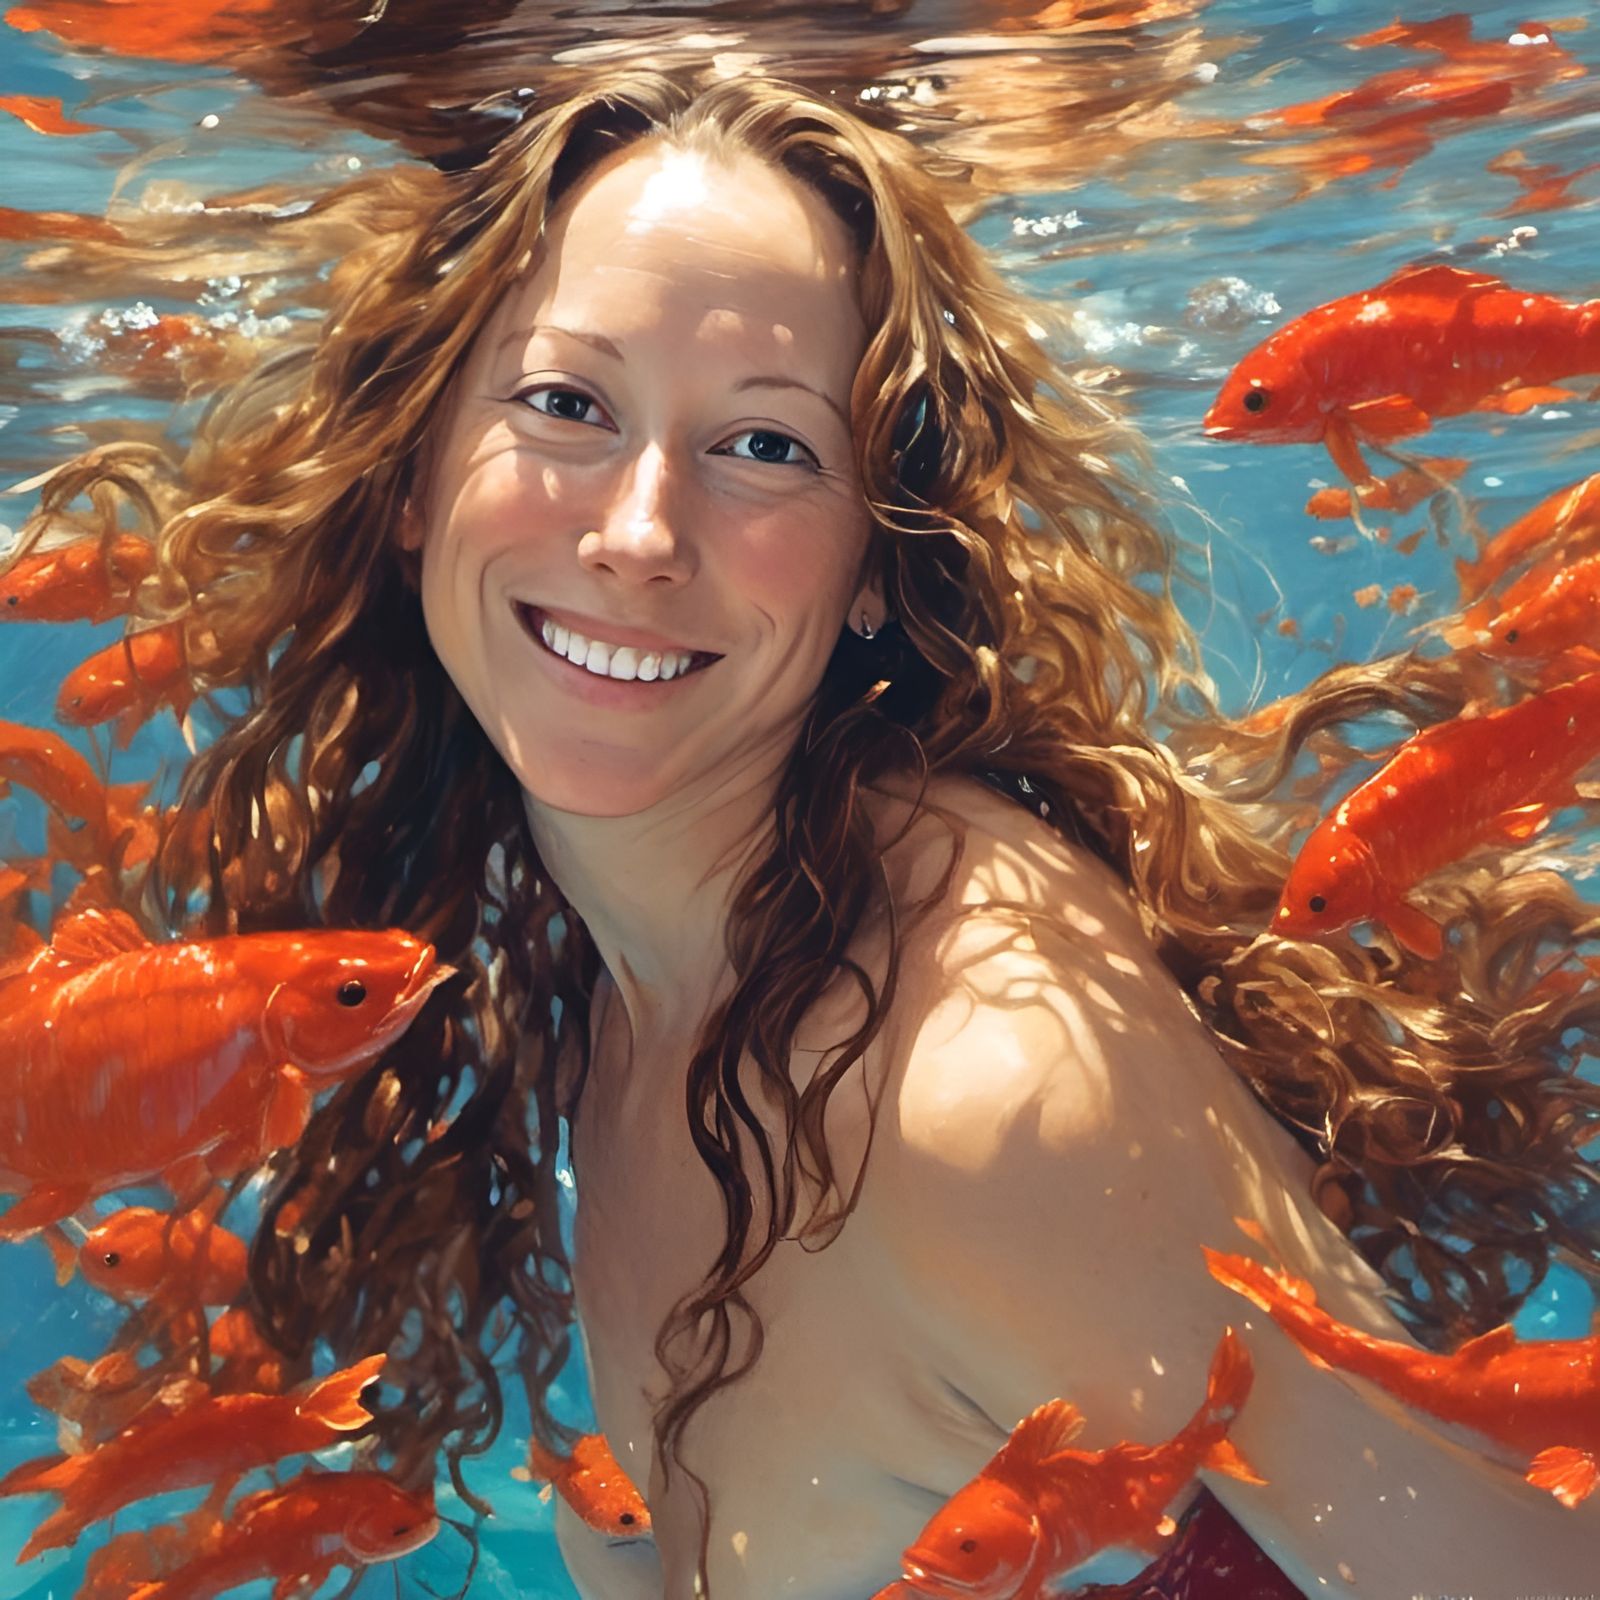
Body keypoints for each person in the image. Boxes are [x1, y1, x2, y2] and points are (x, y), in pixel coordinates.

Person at [43, 67, 1600, 1598]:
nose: (641, 533)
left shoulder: (985, 1095)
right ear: (413, 477)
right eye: (566, 404)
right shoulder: (643, 961)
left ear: (874, 560)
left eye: (765, 447)